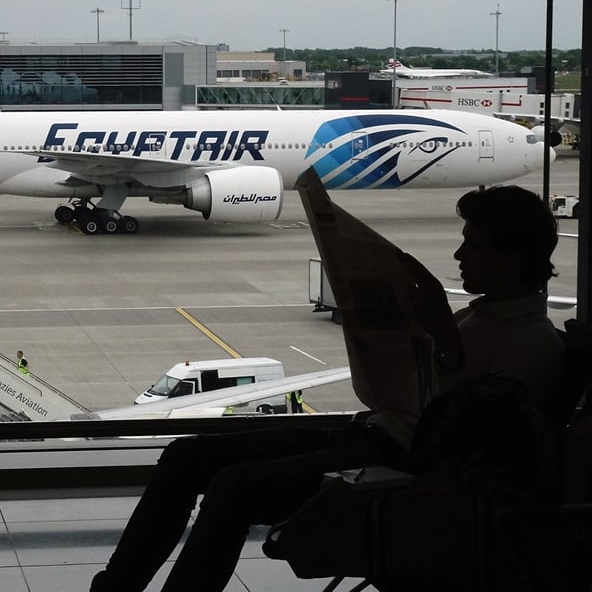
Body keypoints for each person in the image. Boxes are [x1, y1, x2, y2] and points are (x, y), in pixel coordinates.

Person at [89, 185, 564, 592]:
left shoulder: (533, 344)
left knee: (232, 486)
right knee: (183, 455)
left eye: (474, 245)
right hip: (377, 434)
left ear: (515, 257)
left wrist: (440, 337)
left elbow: (456, 442)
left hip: (402, 464)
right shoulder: (481, 319)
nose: (459, 256)